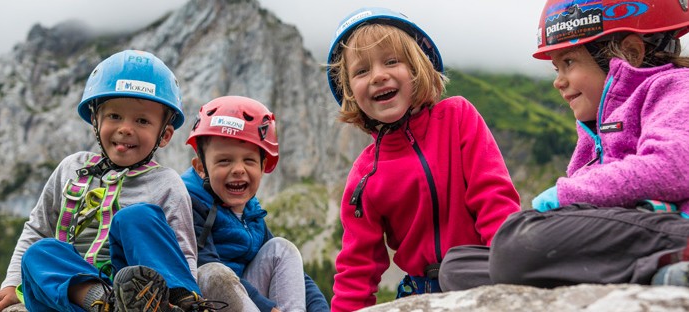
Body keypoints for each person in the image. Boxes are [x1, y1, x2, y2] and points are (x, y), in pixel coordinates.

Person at [463, 0, 689, 290]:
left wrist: (564, 194)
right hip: (628, 232)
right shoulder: (595, 125)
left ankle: (666, 265)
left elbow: (674, 167)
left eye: (568, 62)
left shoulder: (674, 86)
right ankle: (653, 271)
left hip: (675, 226)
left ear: (631, 53)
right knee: (460, 264)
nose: (558, 81)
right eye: (557, 68)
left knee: (514, 246)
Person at [325, 7, 520, 311]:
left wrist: (512, 273)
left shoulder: (457, 117)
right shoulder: (364, 175)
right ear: (350, 90)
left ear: (417, 69)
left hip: (485, 273)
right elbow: (358, 266)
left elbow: (493, 198)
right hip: (420, 293)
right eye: (362, 71)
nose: (378, 75)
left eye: (391, 61)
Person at [0, 50, 219, 312]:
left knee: (137, 217)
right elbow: (37, 229)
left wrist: (186, 285)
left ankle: (179, 302)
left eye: (142, 120)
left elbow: (182, 251)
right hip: (70, 300)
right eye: (115, 116)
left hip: (143, 295)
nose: (126, 128)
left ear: (164, 135)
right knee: (40, 252)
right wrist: (12, 284)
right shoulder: (71, 167)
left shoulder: (167, 183)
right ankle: (105, 303)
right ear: (95, 120)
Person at [182, 96, 329, 312]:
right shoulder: (191, 204)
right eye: (224, 161)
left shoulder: (251, 213)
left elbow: (299, 278)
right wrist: (266, 307)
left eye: (249, 160)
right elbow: (201, 262)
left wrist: (320, 309)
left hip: (248, 301)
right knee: (213, 272)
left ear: (263, 166)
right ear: (200, 167)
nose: (238, 169)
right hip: (210, 301)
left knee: (282, 249)